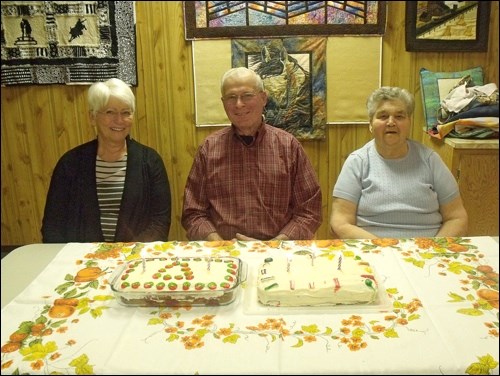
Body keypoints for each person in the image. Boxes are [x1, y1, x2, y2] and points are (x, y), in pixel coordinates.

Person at [181, 67, 322, 241]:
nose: (239, 104)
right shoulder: (209, 149)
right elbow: (193, 213)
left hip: (278, 253)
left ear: (263, 98)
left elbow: (309, 211)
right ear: (223, 102)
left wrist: (275, 245)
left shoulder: (289, 147)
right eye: (231, 97)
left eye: (247, 95)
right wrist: (219, 244)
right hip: (225, 254)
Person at [41, 78, 171, 243]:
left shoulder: (150, 162)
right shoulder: (70, 164)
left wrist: (129, 256)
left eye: (126, 112)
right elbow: (53, 226)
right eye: (110, 112)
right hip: (82, 261)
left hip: (135, 260)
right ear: (92, 117)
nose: (119, 120)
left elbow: (160, 223)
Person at [330, 86, 468, 239]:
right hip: (373, 251)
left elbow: (456, 218)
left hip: (427, 253)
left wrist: (432, 249)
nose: (391, 122)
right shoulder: (357, 162)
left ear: (409, 122)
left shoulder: (430, 160)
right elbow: (340, 222)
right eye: (383, 116)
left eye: (399, 116)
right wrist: (382, 247)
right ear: (370, 124)